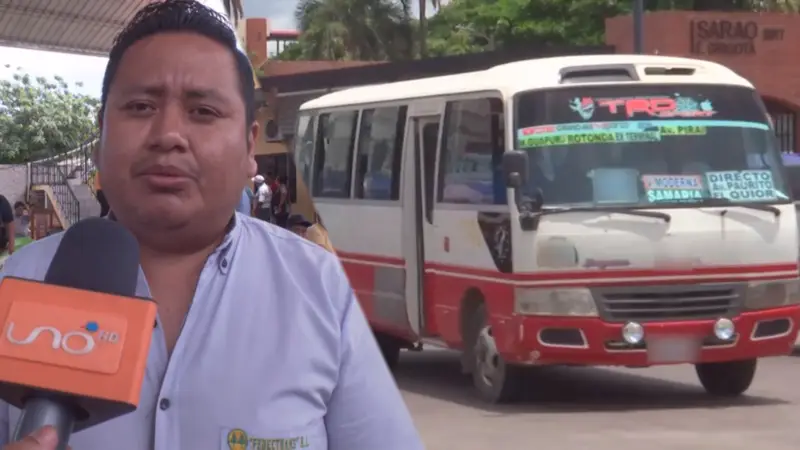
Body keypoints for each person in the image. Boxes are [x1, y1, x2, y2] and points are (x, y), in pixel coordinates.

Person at [0, 2, 423, 450]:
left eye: (203, 111)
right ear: (100, 135)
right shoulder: (17, 286)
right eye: (141, 106)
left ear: (249, 147)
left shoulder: (320, 290)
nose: (168, 134)